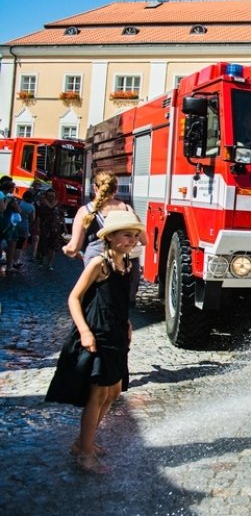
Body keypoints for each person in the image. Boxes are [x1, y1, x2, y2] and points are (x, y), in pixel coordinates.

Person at [45, 210, 144, 474]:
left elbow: (119, 300)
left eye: (135, 235)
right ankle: (85, 454)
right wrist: (84, 332)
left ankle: (83, 442)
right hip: (97, 334)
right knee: (98, 394)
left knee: (113, 392)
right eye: (127, 235)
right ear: (109, 237)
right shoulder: (99, 264)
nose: (133, 240)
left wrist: (127, 323)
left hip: (116, 334)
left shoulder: (127, 264)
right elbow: (74, 298)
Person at [64, 171, 147, 304]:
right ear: (116, 189)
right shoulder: (127, 209)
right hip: (123, 267)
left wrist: (65, 249)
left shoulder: (85, 211)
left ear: (95, 188)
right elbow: (144, 240)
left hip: (96, 268)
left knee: (95, 304)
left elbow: (74, 247)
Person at [35, 188, 64, 271]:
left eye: (52, 196)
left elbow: (61, 216)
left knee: (52, 247)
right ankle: (41, 260)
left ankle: (50, 264)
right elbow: (39, 217)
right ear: (46, 196)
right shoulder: (43, 205)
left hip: (55, 229)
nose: (51, 197)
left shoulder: (58, 205)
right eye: (49, 196)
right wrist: (37, 227)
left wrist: (64, 227)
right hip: (45, 228)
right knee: (43, 245)